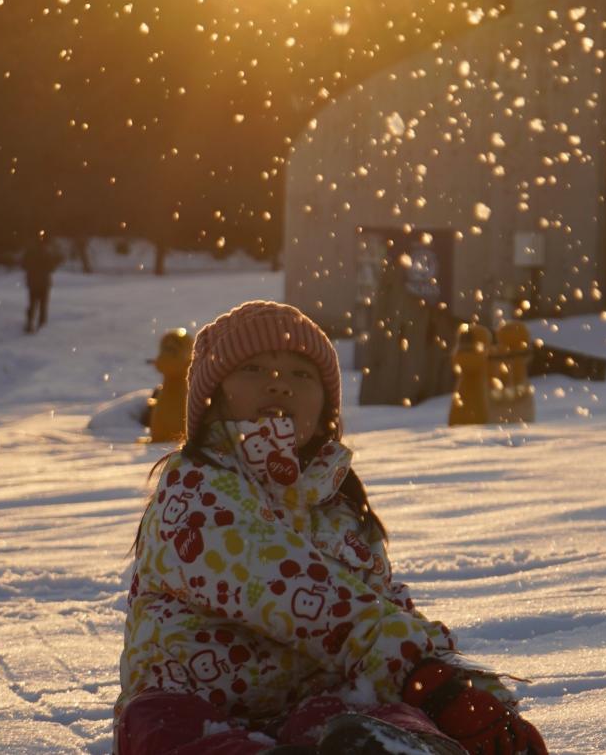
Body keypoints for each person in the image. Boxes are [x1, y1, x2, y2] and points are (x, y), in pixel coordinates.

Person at [116, 300, 546, 755]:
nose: (278, 384)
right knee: (160, 725)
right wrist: (423, 675)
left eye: (301, 375)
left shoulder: (337, 503)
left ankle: (408, 747)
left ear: (326, 409)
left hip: (314, 702)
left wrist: (465, 690)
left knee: (360, 716)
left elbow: (382, 603)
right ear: (213, 397)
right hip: (192, 700)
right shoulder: (194, 488)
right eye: (255, 369)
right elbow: (285, 583)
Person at [22, 234, 58, 333]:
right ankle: (42, 325)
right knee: (43, 305)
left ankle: (29, 323)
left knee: (32, 304)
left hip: (33, 282)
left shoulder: (30, 252)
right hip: (44, 282)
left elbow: (24, 264)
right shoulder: (47, 253)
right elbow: (52, 267)